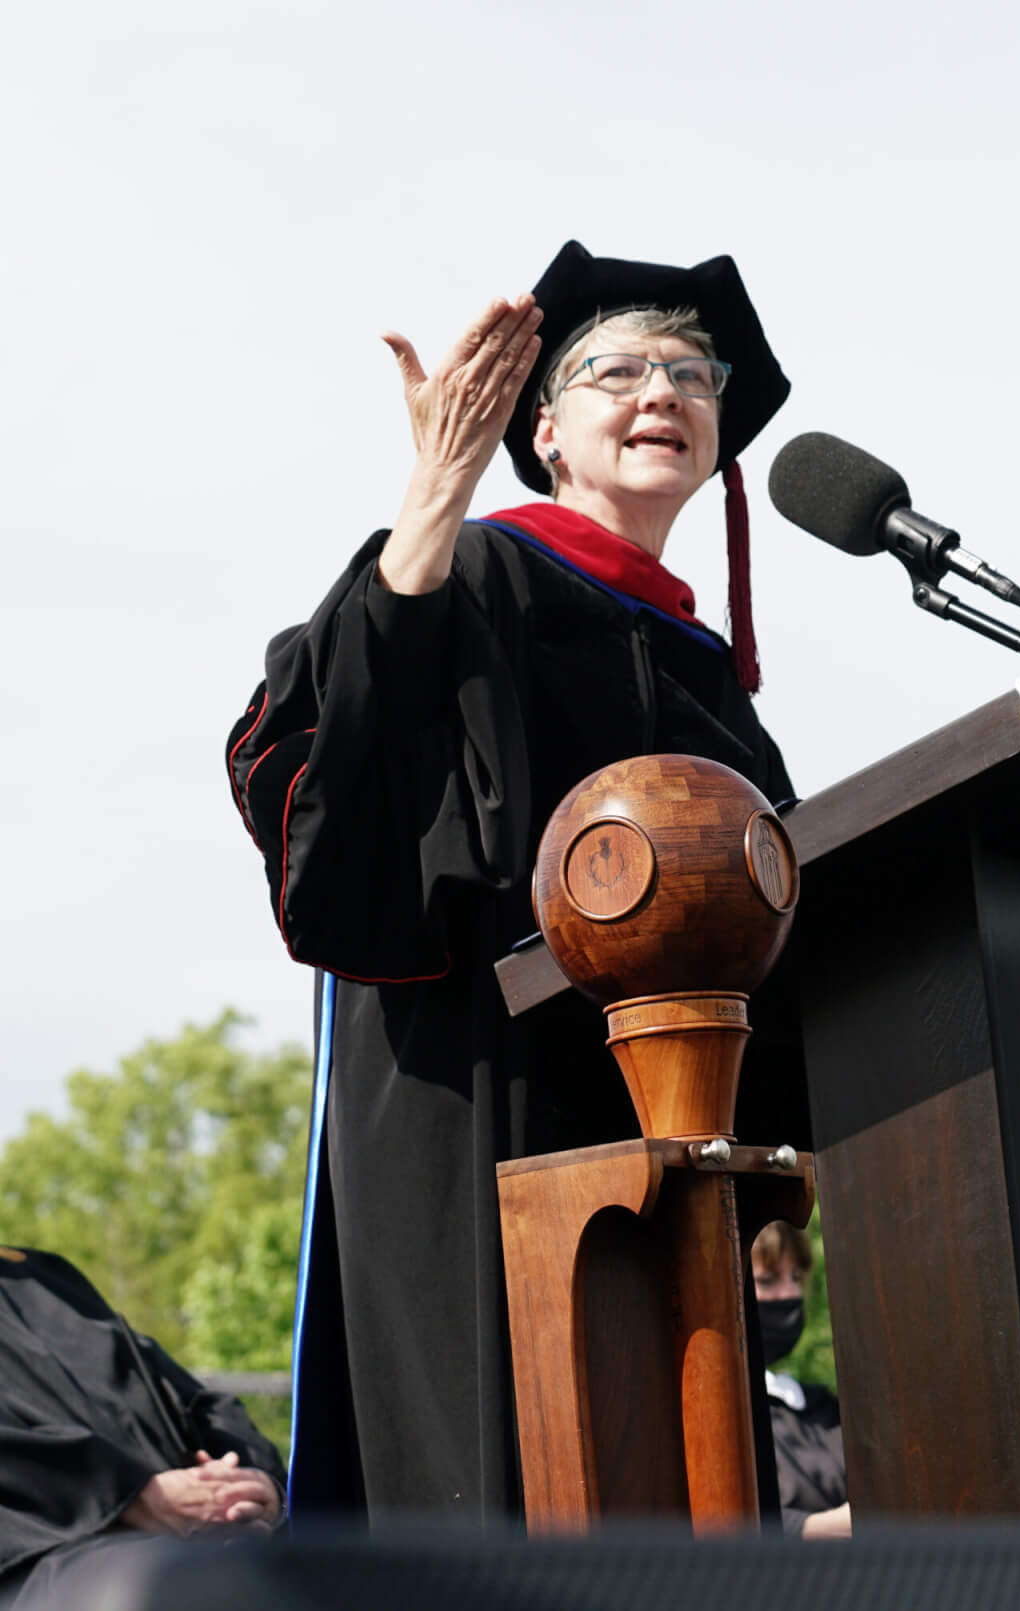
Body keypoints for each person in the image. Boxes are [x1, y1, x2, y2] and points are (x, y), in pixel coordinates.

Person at [226, 242, 797, 1522]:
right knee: (501, 1469)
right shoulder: (473, 570)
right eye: (620, 370)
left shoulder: (706, 673)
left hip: (659, 1103)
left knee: (672, 1472)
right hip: (473, 1083)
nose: (664, 392)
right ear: (542, 426)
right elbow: (315, 750)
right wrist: (434, 494)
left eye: (692, 374)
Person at [0, 1247, 283, 1604]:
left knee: (351, 1562)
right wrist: (135, 1497)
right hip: (48, 1566)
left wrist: (251, 1485)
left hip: (203, 1540)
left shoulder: (44, 1272)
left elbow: (194, 1401)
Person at [749, 1223, 848, 1540]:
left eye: (795, 1278)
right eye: (767, 1280)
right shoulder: (720, 1422)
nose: (790, 1294)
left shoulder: (823, 1407)